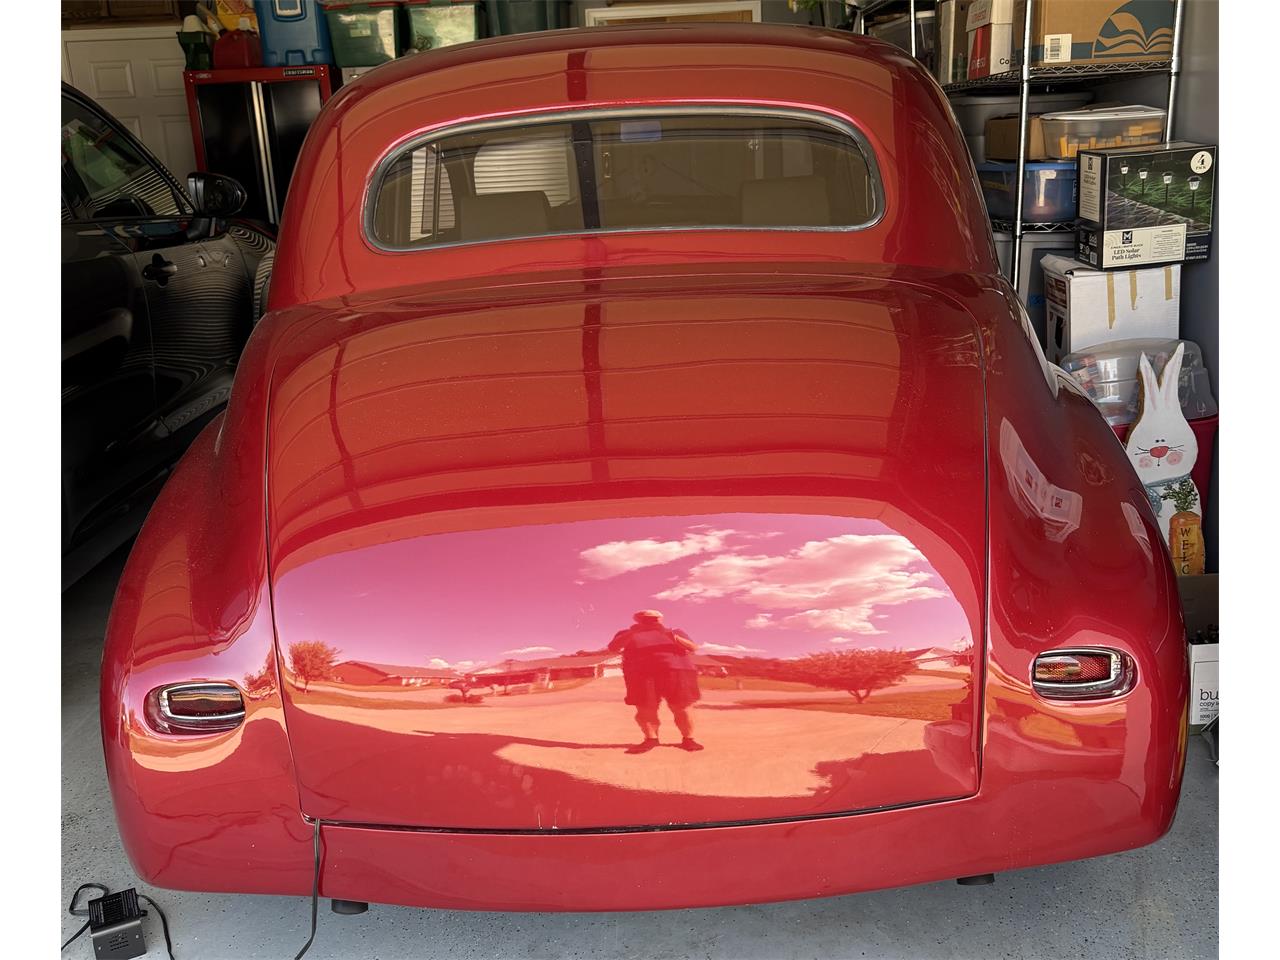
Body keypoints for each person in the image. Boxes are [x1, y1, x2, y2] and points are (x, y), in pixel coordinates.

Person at [608, 610, 704, 753]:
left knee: (682, 706)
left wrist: (672, 636)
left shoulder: (674, 631)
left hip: (676, 669)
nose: (649, 622)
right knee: (645, 707)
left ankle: (688, 739)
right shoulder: (626, 633)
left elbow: (693, 648)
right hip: (640, 673)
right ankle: (651, 739)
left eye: (653, 619)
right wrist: (632, 633)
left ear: (661, 619)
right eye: (645, 619)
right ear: (637, 620)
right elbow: (613, 648)